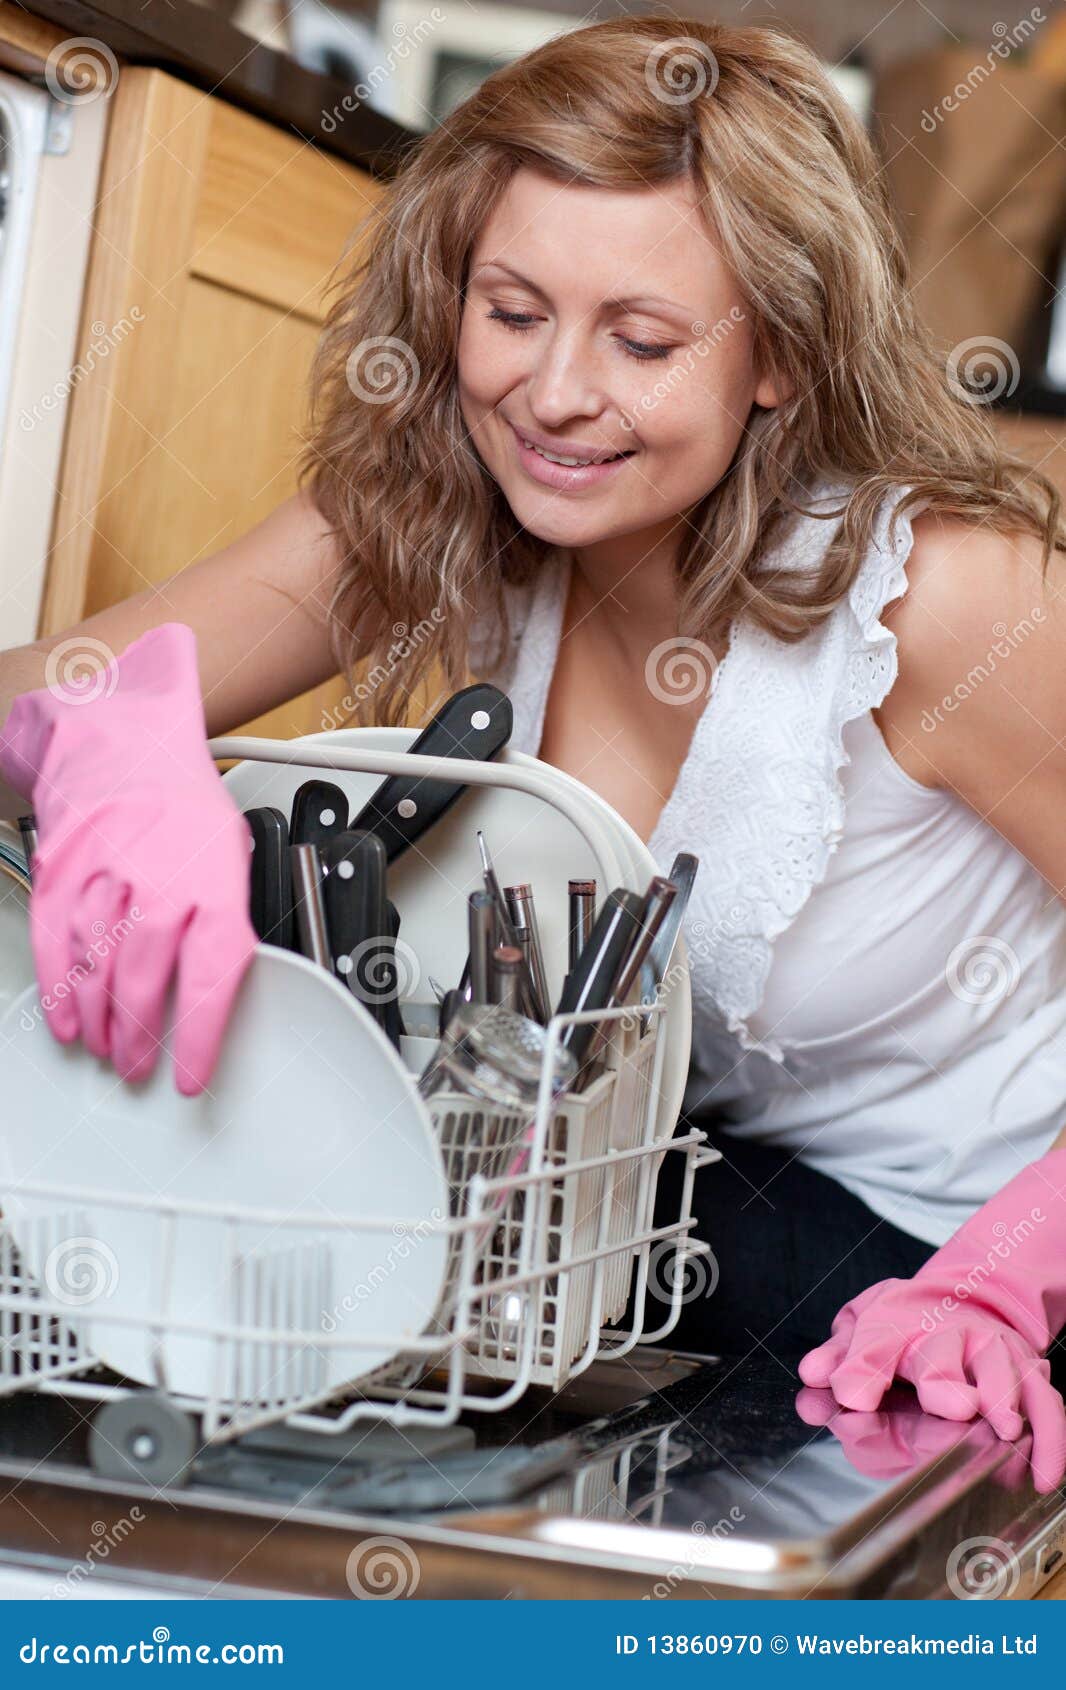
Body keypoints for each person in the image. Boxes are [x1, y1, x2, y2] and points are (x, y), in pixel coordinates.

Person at [3, 18, 1066, 1488]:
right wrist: (102, 741)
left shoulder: (941, 598)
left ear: (780, 356)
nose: (553, 393)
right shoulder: (449, 502)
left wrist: (1003, 1276)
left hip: (978, 1256)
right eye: (510, 312)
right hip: (708, 1202)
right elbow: (34, 692)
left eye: (641, 341)